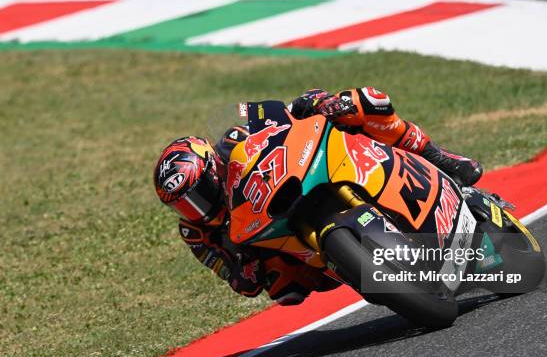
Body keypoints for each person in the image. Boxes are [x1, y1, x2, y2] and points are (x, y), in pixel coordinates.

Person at [153, 87, 483, 305]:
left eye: (198, 194)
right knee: (285, 290)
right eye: (185, 204)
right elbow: (235, 279)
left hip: (294, 177)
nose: (196, 207)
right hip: (267, 235)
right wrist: (242, 272)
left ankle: (438, 155)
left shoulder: (232, 141)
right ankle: (353, 266)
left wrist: (309, 103)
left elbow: (274, 116)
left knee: (363, 101)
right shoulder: (195, 232)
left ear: (213, 169)